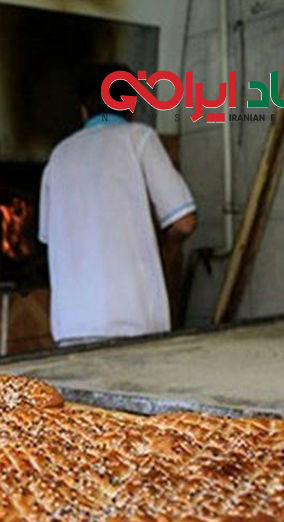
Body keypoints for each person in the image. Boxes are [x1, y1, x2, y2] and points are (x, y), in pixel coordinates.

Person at [38, 62, 197, 347]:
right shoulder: (139, 138)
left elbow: (49, 239)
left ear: (83, 110)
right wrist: (167, 245)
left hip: (71, 327)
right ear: (131, 105)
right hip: (132, 322)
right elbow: (184, 222)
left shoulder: (59, 155)